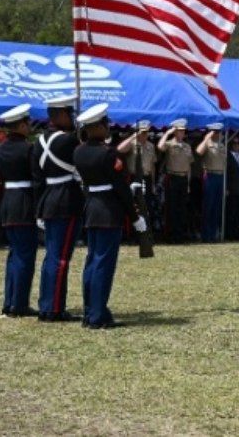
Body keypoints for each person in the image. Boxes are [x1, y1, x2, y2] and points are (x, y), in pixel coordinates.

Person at [74, 103, 137, 329]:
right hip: (109, 211)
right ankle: (98, 315)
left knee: (92, 262)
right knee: (103, 264)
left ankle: (90, 311)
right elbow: (121, 188)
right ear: (98, 127)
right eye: (106, 124)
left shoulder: (79, 151)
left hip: (91, 208)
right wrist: (135, 216)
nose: (108, 128)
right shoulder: (108, 154)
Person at [33, 94, 85, 322]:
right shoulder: (68, 141)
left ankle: (46, 304)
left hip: (49, 198)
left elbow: (37, 175)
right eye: (70, 114)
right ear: (60, 114)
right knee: (61, 258)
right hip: (66, 200)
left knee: (51, 257)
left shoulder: (39, 140)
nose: (73, 118)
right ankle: (54, 309)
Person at [0, 104, 40, 318]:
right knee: (25, 255)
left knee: (14, 255)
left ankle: (9, 301)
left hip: (7, 202)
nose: (30, 127)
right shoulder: (28, 149)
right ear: (21, 125)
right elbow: (36, 177)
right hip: (24, 202)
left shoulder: (1, 149)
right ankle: (19, 304)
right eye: (28, 124)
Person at [158, 119, 193, 243]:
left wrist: (188, 183)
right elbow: (160, 147)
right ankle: (171, 236)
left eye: (183, 131)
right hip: (172, 178)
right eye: (179, 131)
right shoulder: (169, 143)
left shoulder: (187, 146)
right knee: (171, 208)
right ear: (175, 132)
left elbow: (189, 166)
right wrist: (167, 133)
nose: (182, 133)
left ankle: (180, 235)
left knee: (182, 209)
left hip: (183, 178)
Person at [196, 123, 227, 243]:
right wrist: (206, 138)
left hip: (220, 176)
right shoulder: (207, 144)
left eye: (219, 131)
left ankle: (213, 235)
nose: (217, 133)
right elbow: (199, 151)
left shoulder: (222, 145)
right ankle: (206, 235)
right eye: (215, 131)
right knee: (208, 207)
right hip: (210, 175)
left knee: (216, 207)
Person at [225, 135, 239, 241]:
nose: (236, 145)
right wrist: (226, 188)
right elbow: (227, 174)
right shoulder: (228, 156)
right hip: (231, 189)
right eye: (234, 143)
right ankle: (230, 234)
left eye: (238, 143)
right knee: (231, 212)